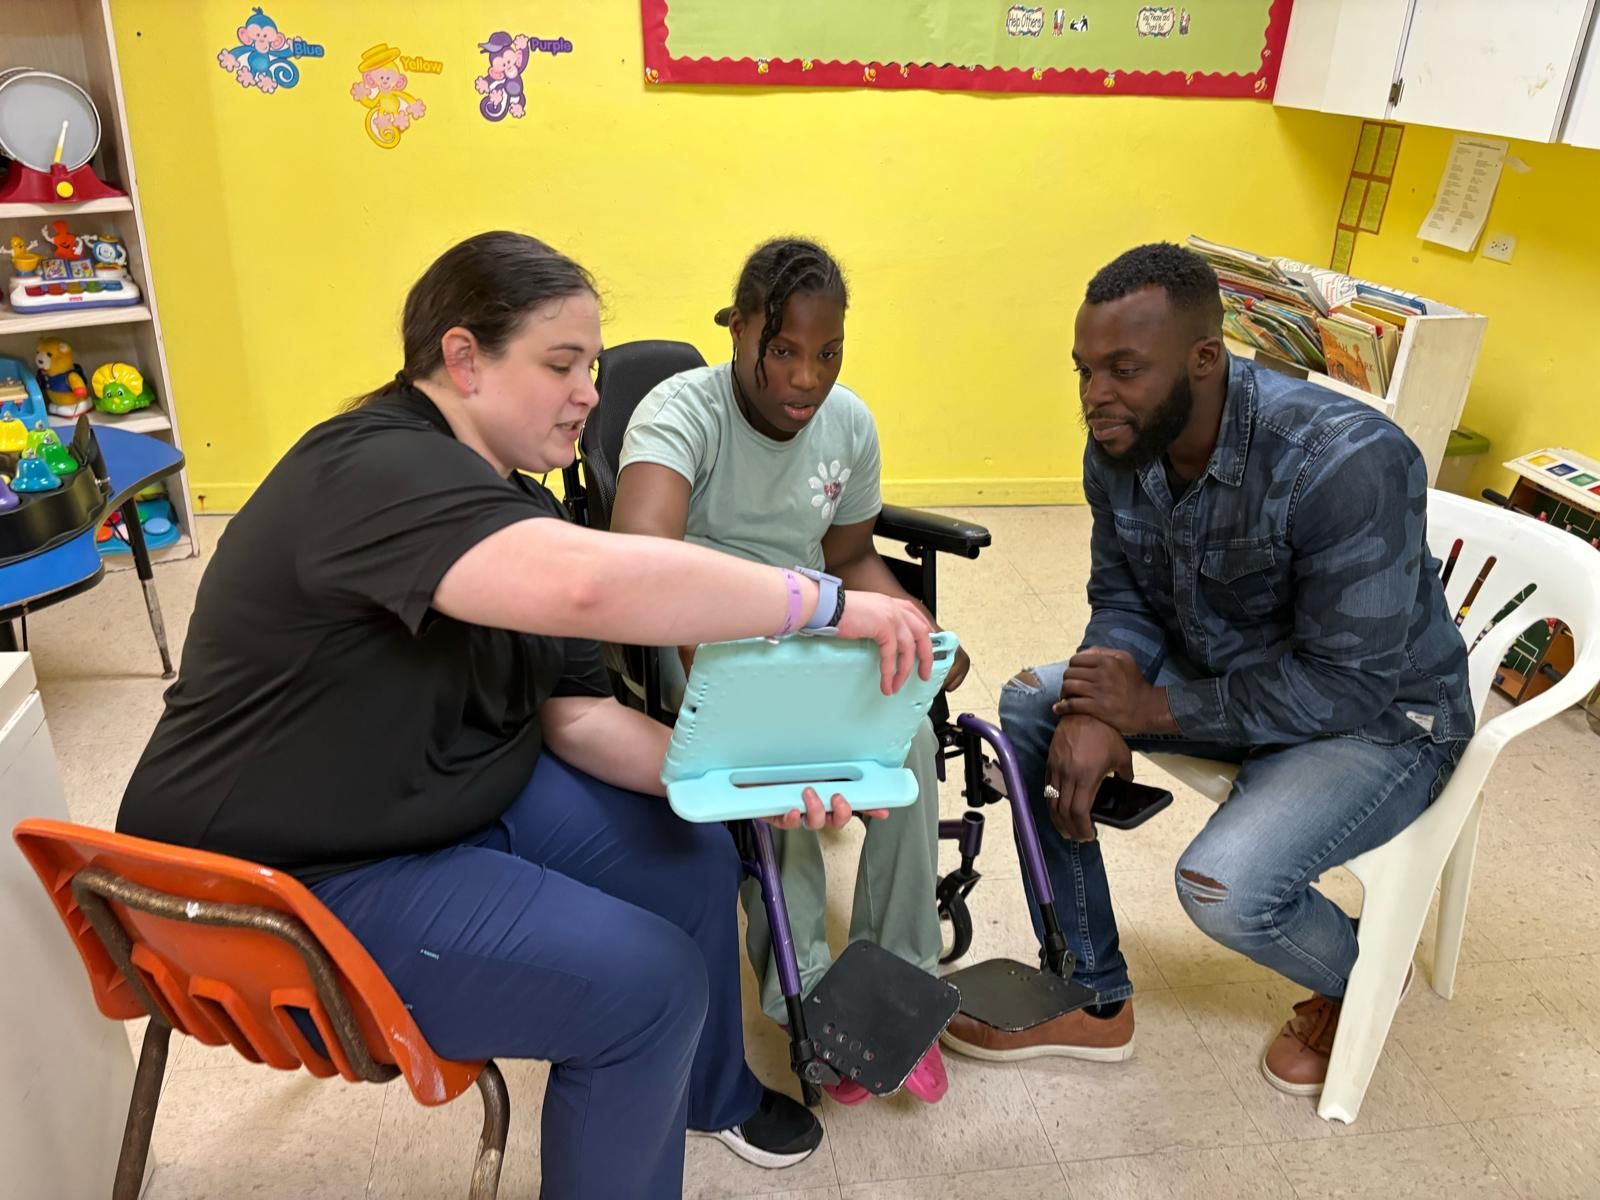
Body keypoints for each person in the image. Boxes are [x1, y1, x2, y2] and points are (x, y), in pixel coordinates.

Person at [114, 231, 936, 1198]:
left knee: (690, 853)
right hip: (284, 874)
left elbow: (581, 717)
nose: (591, 391)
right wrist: (831, 604)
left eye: (591, 365)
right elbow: (595, 590)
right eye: (563, 365)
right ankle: (652, 1055)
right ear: (463, 361)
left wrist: (747, 779)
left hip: (436, 798)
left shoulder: (517, 503)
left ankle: (706, 1092)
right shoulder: (375, 467)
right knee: (648, 987)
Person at [940, 242, 1474, 1096]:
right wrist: (1095, 702)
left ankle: (1363, 975)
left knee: (1223, 888)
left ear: (1204, 357)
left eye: (1122, 369)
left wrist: (1147, 709)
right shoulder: (1121, 442)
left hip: (1380, 723)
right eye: (1082, 370)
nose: (1093, 397)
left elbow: (1348, 684)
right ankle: (1093, 993)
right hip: (1225, 673)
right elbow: (1124, 593)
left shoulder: (1344, 460)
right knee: (1033, 707)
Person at [610, 237, 970, 1106]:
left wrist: (911, 627)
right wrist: (762, 634)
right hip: (698, 629)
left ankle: (895, 985)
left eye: (828, 353)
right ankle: (809, 1001)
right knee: (777, 765)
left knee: (910, 742)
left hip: (813, 620)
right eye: (783, 350)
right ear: (738, 332)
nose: (806, 377)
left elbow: (848, 554)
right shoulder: (680, 413)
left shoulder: (848, 422)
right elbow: (639, 564)